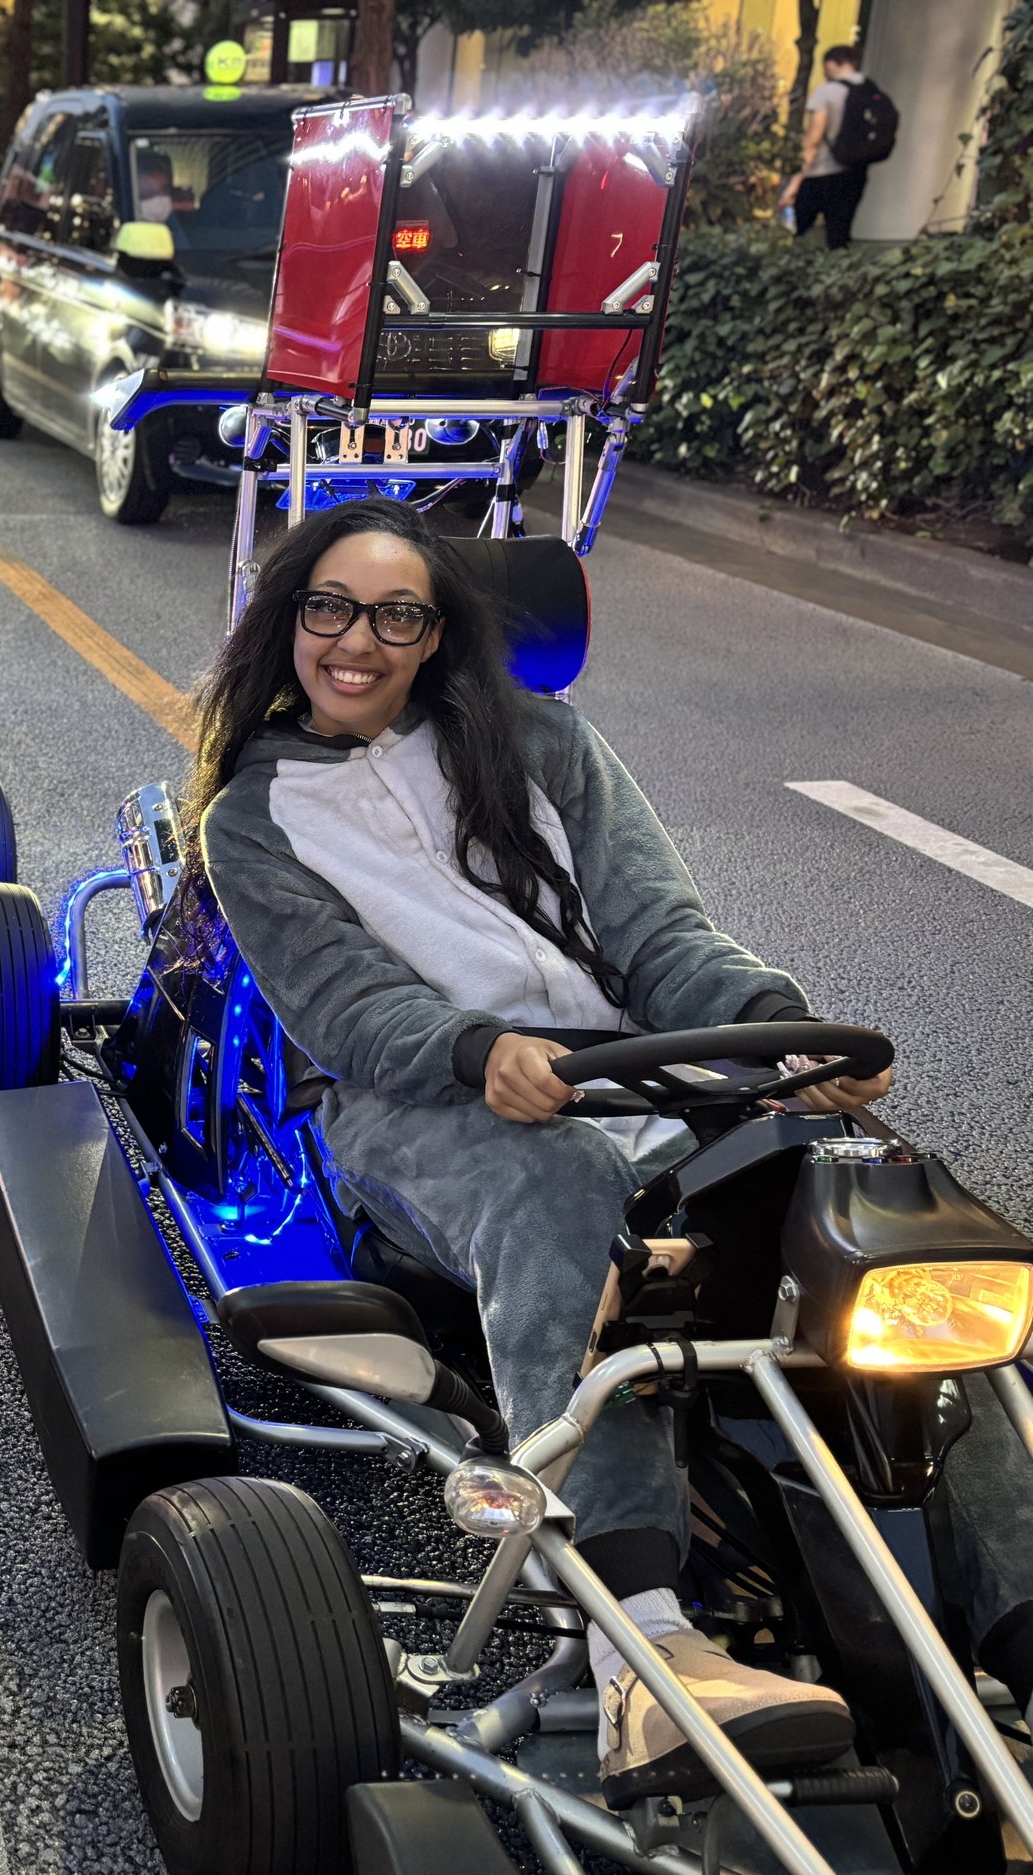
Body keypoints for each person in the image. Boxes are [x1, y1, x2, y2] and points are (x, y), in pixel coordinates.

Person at [187, 498, 1033, 1801]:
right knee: (572, 1187)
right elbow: (351, 1007)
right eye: (331, 608)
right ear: (289, 619)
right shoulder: (252, 814)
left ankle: (1020, 1623)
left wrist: (772, 1025)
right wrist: (480, 1049)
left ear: (436, 633)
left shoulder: (543, 742)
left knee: (889, 1221)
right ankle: (645, 1649)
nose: (360, 639)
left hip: (626, 1065)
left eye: (397, 613)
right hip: (415, 1105)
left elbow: (662, 933)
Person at [779, 45, 875, 249]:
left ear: (832, 64)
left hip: (821, 173)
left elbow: (813, 140)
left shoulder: (826, 93)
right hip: (854, 174)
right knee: (839, 236)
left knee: (800, 235)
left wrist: (796, 182)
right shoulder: (871, 91)